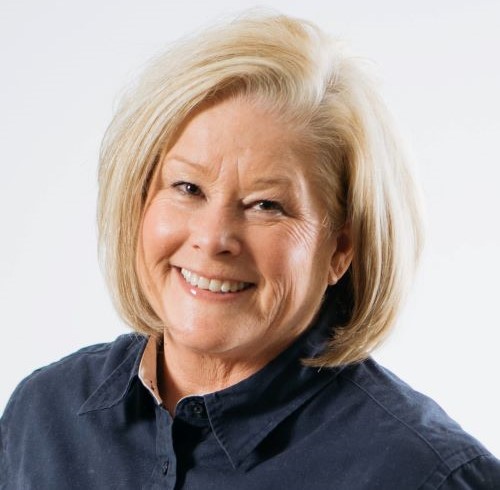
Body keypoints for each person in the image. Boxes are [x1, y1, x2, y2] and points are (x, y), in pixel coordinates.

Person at [1, 12, 499, 490]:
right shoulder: (43, 417)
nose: (214, 237)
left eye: (267, 205)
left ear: (341, 248)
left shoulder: (426, 476)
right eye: (188, 188)